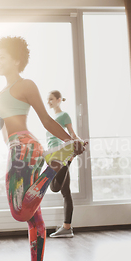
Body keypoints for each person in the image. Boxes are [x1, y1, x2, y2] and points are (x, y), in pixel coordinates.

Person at [0, 36, 86, 261]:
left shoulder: (25, 84)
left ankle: (54, 165)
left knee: (19, 211)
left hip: (25, 147)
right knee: (34, 218)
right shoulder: (1, 92)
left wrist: (70, 141)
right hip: (16, 149)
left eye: (1, 56)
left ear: (16, 60)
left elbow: (45, 119)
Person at [46, 90, 79, 238]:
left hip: (58, 154)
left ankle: (68, 161)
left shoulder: (63, 115)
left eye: (51, 99)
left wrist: (78, 141)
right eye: (48, 99)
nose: (49, 102)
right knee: (65, 192)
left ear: (59, 100)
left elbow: (71, 133)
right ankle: (67, 227)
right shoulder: (53, 117)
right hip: (54, 153)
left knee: (54, 187)